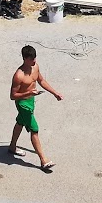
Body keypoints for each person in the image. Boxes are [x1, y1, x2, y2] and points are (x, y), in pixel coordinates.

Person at [9, 44, 62, 172]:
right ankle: (43, 160)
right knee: (34, 129)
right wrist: (28, 93)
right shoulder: (19, 75)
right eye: (31, 59)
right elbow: (13, 96)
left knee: (20, 122)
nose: (34, 61)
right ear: (25, 59)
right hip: (23, 104)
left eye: (35, 57)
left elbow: (41, 81)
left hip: (31, 101)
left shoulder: (35, 67)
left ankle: (12, 146)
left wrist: (55, 93)